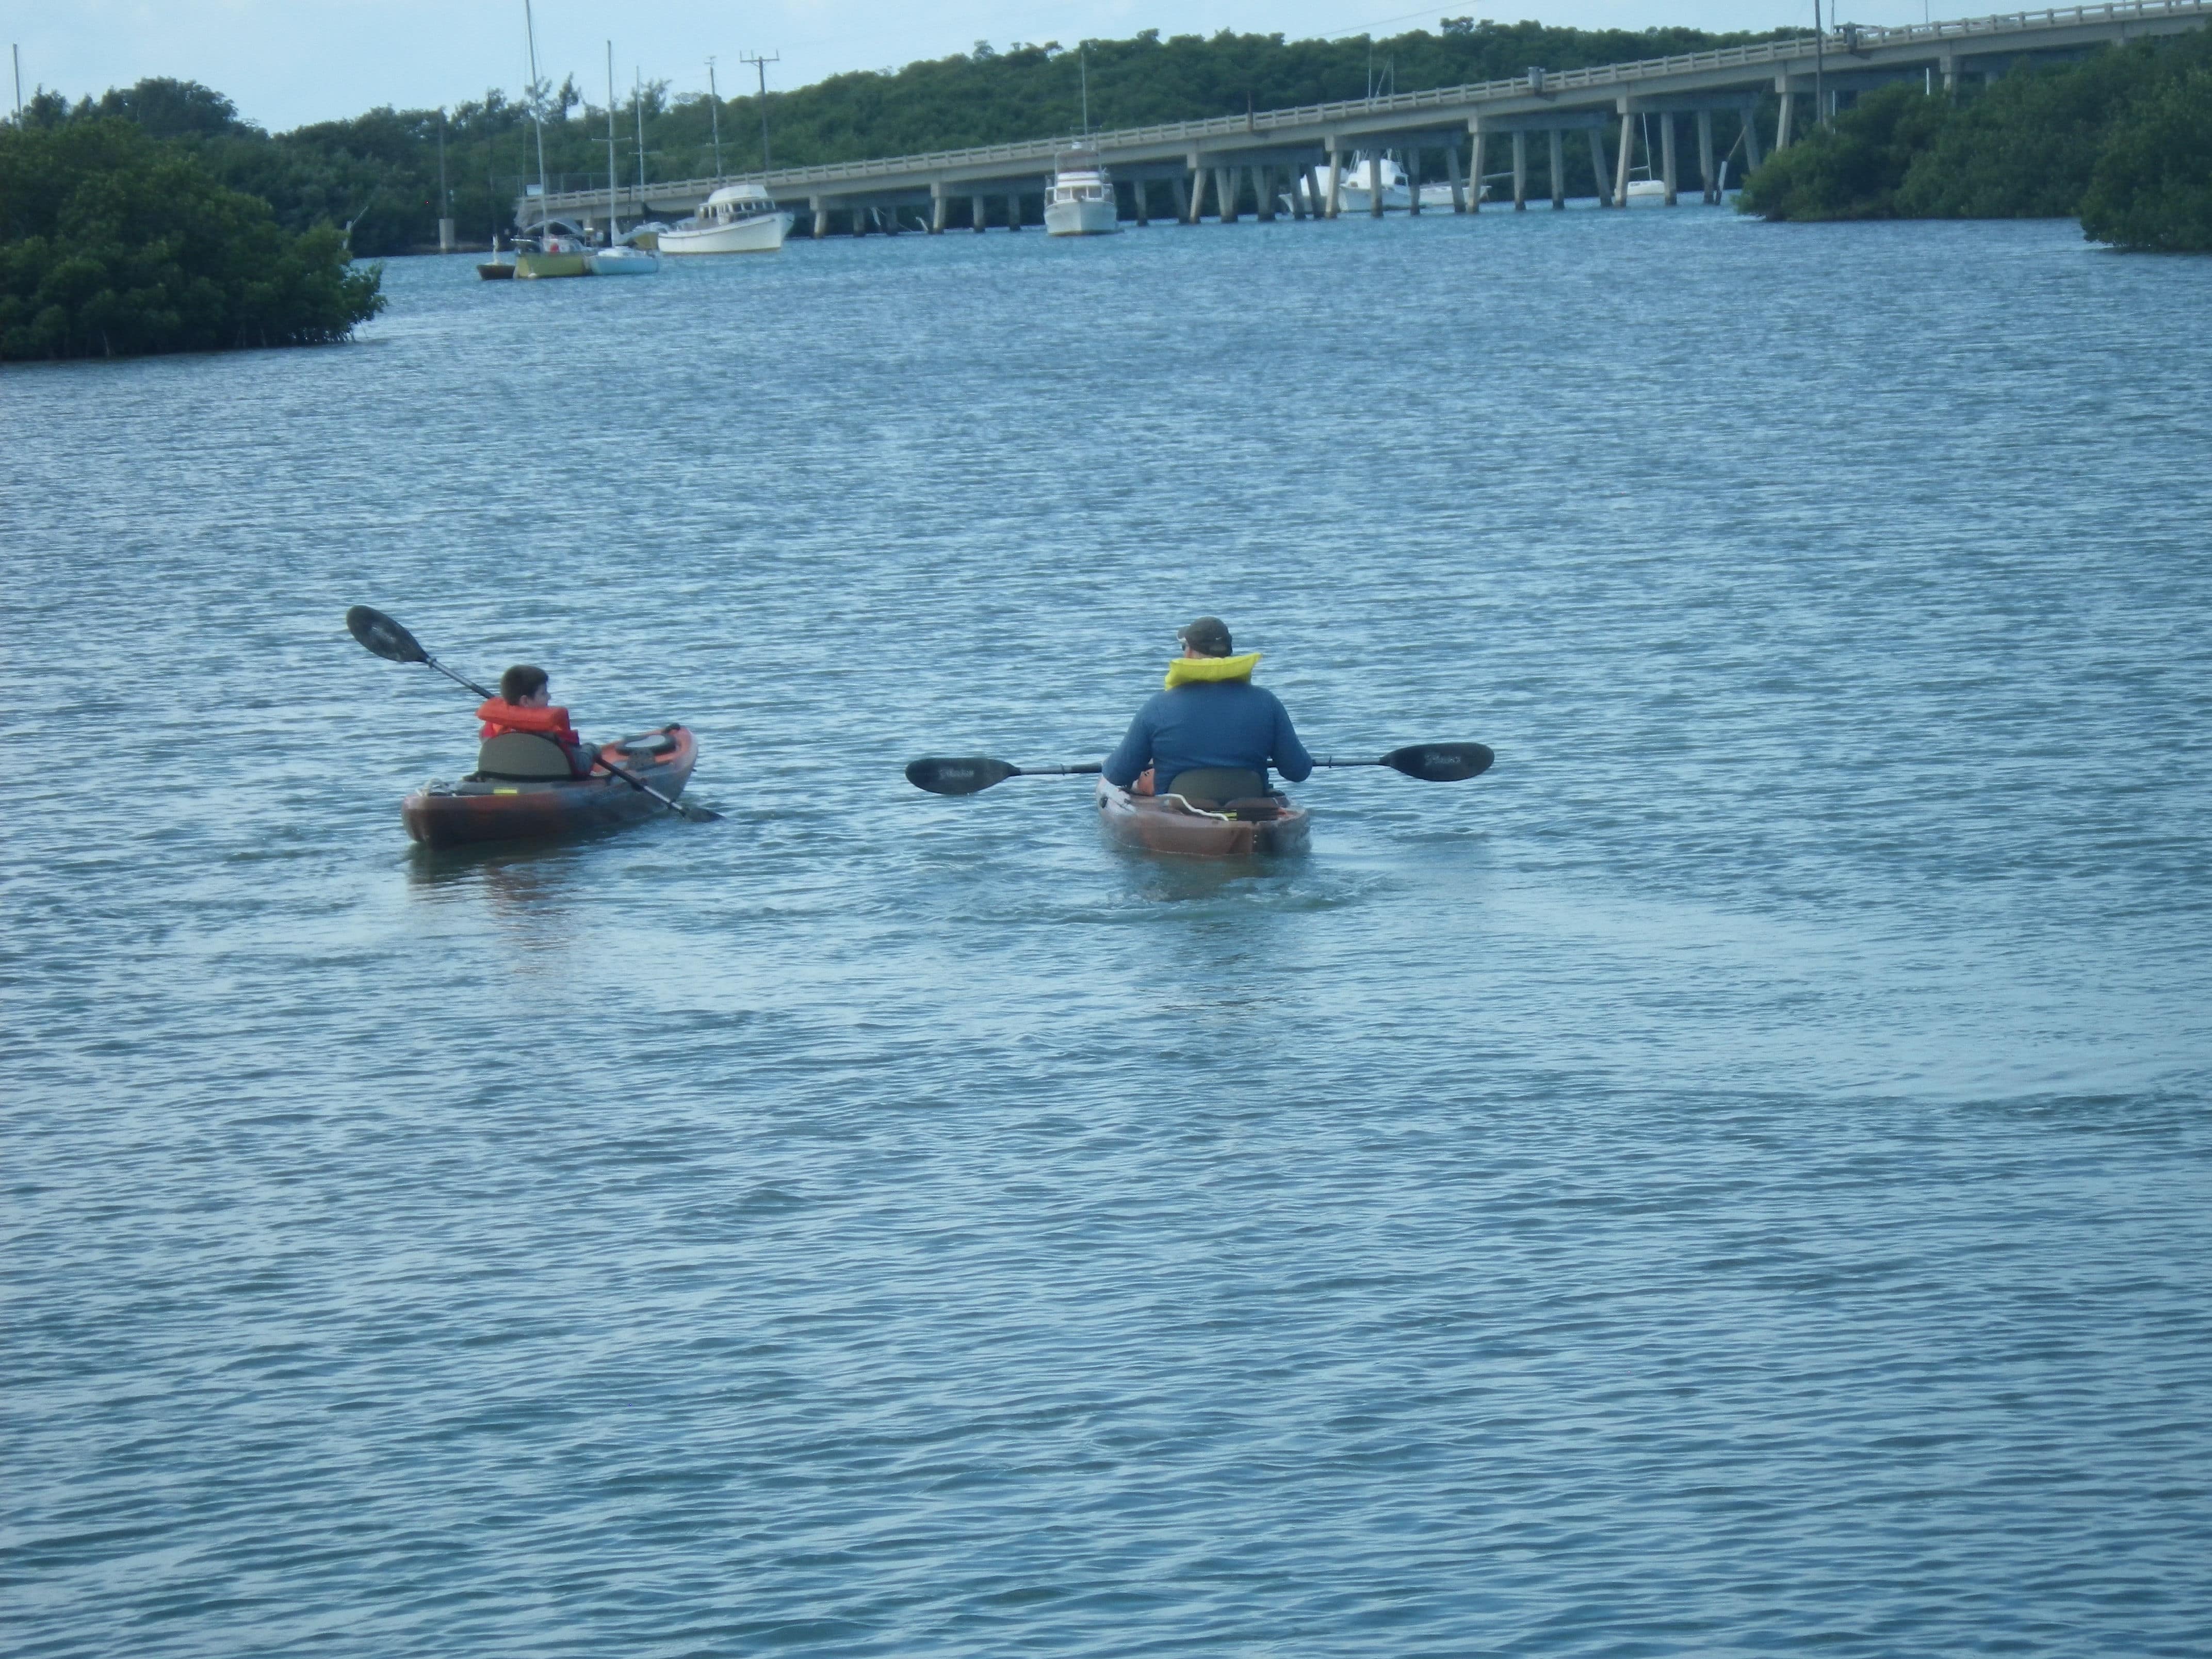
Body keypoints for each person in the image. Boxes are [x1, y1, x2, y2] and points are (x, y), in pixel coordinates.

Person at [1102, 616, 1314, 801]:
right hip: (1251, 812)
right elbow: (1298, 770)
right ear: (1229, 654)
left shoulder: (1157, 707)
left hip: (1179, 817)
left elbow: (1117, 775)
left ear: (1189, 653)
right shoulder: (1268, 703)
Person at [476, 665, 597, 778]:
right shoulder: (550, 732)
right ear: (525, 701)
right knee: (591, 748)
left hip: (503, 778)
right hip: (544, 782)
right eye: (543, 693)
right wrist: (592, 749)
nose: (549, 697)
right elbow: (580, 768)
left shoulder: (489, 730)